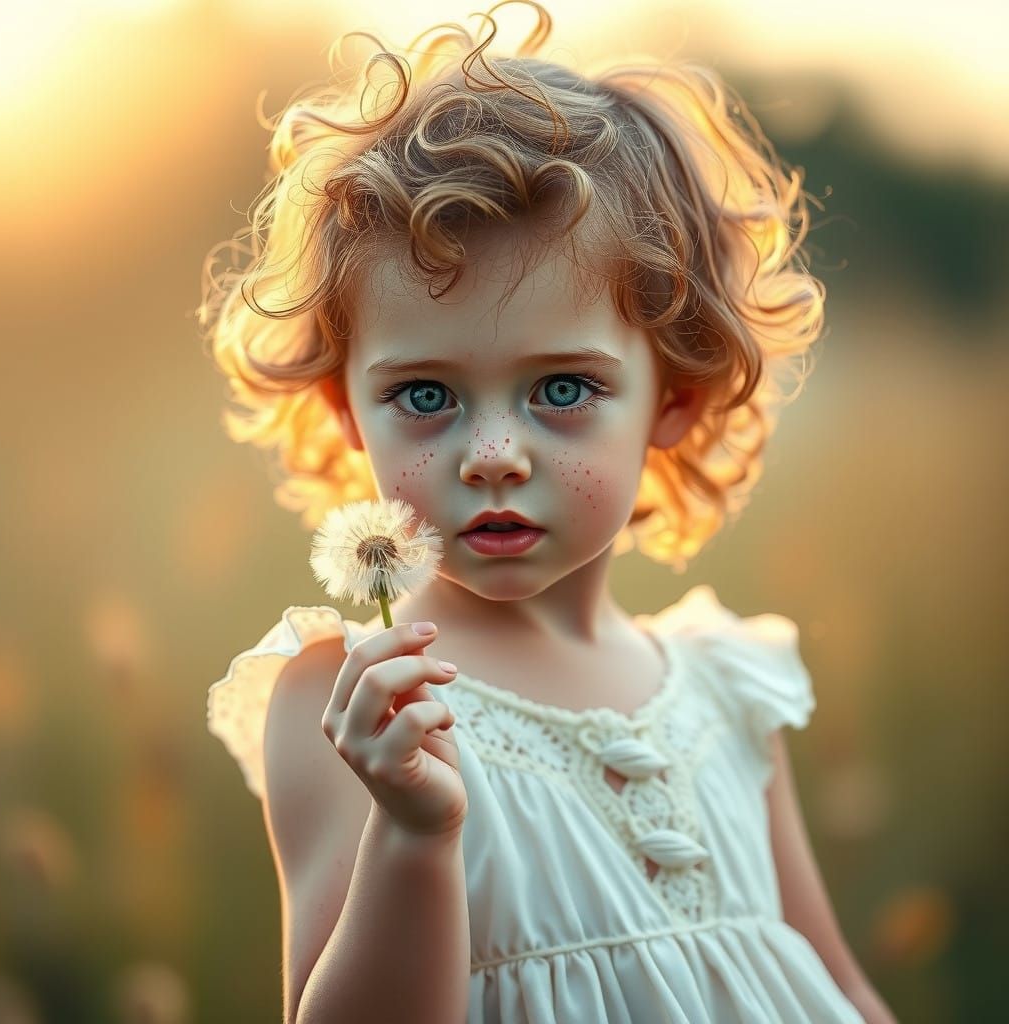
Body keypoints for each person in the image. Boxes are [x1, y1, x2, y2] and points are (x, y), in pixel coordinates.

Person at [200, 3, 897, 1022]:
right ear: (345, 410)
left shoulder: (728, 691)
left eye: (562, 389)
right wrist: (411, 833)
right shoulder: (352, 707)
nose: (492, 456)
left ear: (674, 396)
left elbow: (833, 983)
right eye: (427, 396)